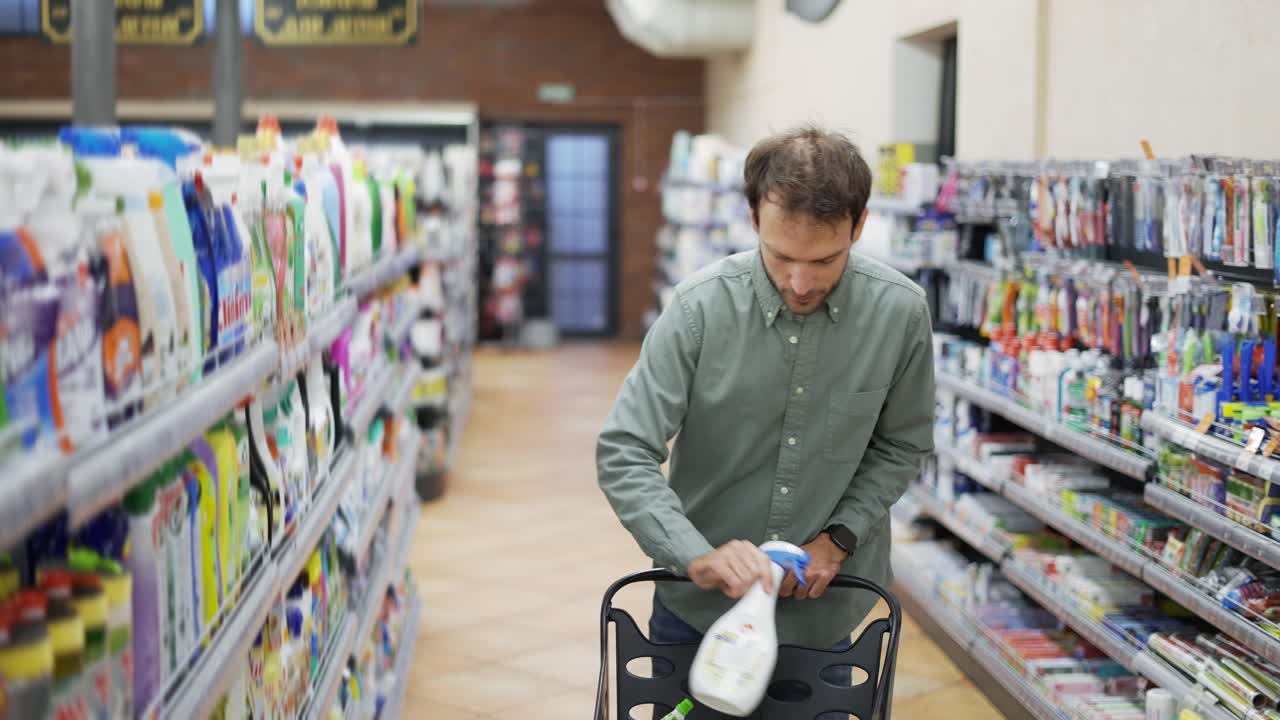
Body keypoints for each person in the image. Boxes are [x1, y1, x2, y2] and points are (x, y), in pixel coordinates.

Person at [596, 125, 935, 699]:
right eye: (781, 257)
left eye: (826, 260)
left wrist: (839, 538)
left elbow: (901, 444)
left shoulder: (899, 314)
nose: (801, 283)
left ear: (859, 226)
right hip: (698, 614)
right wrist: (692, 553)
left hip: (827, 616)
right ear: (754, 220)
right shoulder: (698, 309)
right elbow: (624, 450)